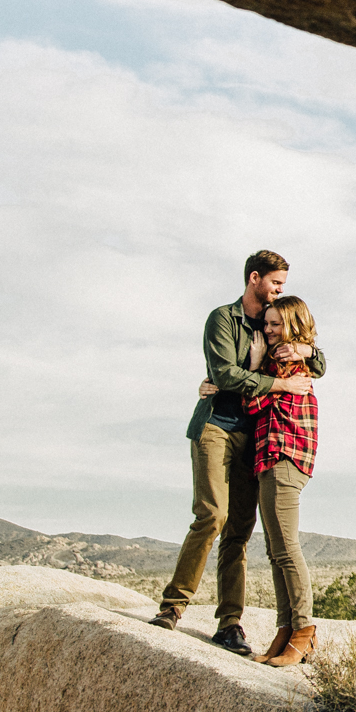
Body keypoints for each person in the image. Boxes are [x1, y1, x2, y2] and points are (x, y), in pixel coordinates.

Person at [149, 251, 323, 656]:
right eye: (275, 283)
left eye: (282, 286)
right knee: (212, 514)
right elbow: (225, 373)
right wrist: (274, 383)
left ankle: (230, 624)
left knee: (240, 532)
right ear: (254, 278)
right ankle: (173, 607)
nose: (280, 290)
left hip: (256, 437)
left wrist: (306, 354)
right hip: (217, 426)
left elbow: (321, 360)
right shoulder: (223, 319)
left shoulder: (278, 321)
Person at [245, 294, 322, 666]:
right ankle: (285, 629)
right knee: (276, 552)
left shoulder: (293, 366)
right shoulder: (285, 363)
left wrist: (258, 366)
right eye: (267, 323)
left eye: (276, 324)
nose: (269, 330)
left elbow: (254, 404)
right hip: (268, 460)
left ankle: (304, 630)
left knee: (287, 549)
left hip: (285, 458)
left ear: (292, 326)